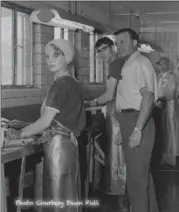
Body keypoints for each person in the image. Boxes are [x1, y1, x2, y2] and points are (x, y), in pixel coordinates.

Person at [8, 39, 86, 212]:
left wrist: (18, 135)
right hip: (67, 144)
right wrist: (26, 126)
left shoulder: (61, 84)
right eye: (46, 56)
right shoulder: (71, 82)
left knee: (58, 196)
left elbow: (45, 122)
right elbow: (59, 120)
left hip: (59, 146)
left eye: (56, 55)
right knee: (66, 194)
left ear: (67, 58)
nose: (50, 60)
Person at [114, 28, 159, 212]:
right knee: (142, 176)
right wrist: (122, 128)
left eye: (122, 42)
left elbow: (147, 98)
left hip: (137, 119)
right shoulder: (129, 64)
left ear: (134, 43)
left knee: (135, 180)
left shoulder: (138, 63)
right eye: (116, 43)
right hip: (129, 120)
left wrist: (137, 129)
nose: (118, 47)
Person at [87, 36, 129, 211]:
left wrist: (92, 102)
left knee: (118, 157)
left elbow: (110, 94)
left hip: (116, 114)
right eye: (98, 51)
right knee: (119, 156)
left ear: (112, 47)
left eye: (103, 49)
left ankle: (122, 199)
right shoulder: (120, 63)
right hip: (117, 111)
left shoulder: (115, 64)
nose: (101, 54)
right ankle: (124, 197)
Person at [155, 57, 179, 170]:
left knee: (171, 130)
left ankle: (172, 159)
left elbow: (172, 92)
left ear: (166, 65)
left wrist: (162, 99)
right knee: (164, 132)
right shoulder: (160, 76)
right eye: (159, 65)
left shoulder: (171, 76)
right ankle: (164, 157)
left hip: (170, 105)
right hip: (162, 105)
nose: (160, 67)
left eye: (161, 64)